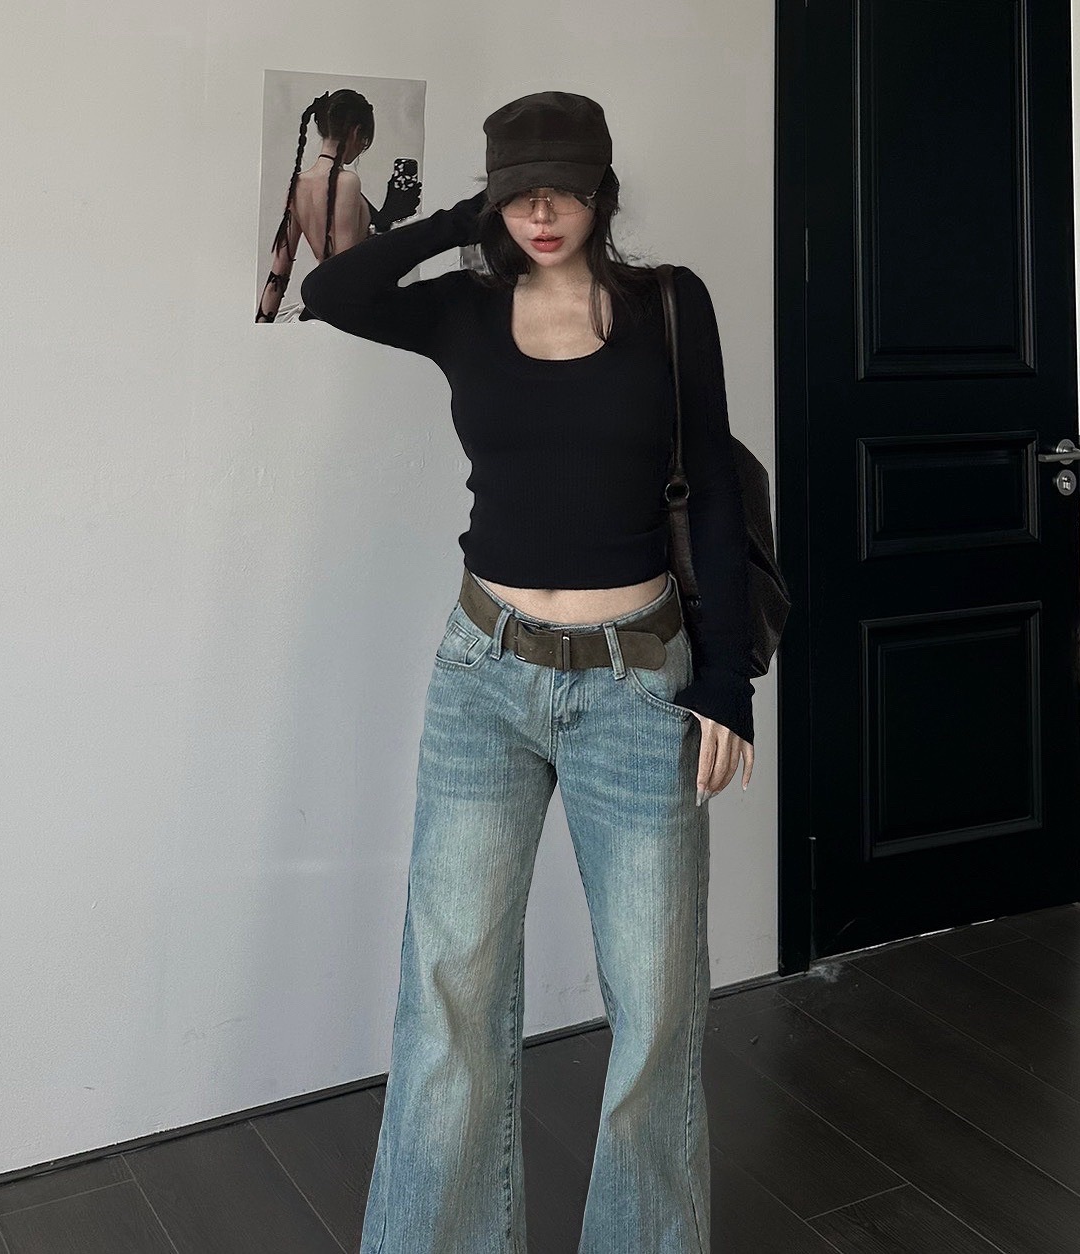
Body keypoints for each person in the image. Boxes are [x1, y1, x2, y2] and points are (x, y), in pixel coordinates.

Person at [300, 89, 754, 1254]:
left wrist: (726, 683)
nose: (542, 213)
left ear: (603, 188)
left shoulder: (668, 303)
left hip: (638, 683)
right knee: (447, 989)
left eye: (564, 188)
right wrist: (463, 216)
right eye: (519, 192)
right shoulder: (461, 306)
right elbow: (334, 289)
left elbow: (711, 478)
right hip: (483, 675)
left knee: (656, 1004)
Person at [257, 88, 421, 321]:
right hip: (345, 315)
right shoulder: (347, 182)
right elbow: (347, 268)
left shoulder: (298, 185)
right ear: (356, 132)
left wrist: (261, 327)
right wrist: (388, 218)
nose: (361, 147)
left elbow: (279, 273)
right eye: (364, 140)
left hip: (318, 310)